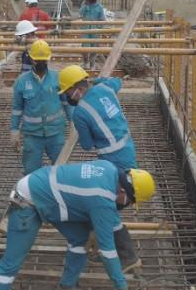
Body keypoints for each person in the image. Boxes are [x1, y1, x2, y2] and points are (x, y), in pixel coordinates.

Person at [0, 161, 156, 290]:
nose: (129, 206)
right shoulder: (102, 200)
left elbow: (93, 204)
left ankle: (67, 289)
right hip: (28, 200)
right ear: (124, 192)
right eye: (131, 202)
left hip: (52, 196)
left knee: (81, 240)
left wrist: (95, 227)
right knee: (11, 263)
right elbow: (108, 251)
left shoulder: (110, 170)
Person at [58, 64, 142, 271]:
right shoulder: (106, 88)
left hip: (112, 161)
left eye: (67, 91)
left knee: (105, 207)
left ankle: (127, 256)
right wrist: (98, 81)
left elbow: (87, 145)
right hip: (128, 151)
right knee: (109, 206)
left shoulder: (80, 113)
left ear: (75, 88)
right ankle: (104, 248)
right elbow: (117, 81)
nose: (68, 96)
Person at [10, 40, 68, 174]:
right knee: (31, 171)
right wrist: (14, 130)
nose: (41, 63)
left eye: (44, 60)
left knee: (60, 170)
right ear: (31, 58)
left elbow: (66, 103)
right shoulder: (22, 81)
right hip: (32, 135)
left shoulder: (57, 77)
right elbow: (17, 109)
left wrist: (73, 122)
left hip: (56, 133)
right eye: (37, 60)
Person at [79, 0, 105, 68]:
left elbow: (102, 19)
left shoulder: (99, 7)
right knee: (84, 47)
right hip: (85, 29)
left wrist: (99, 28)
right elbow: (80, 13)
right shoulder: (85, 4)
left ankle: (92, 64)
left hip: (95, 30)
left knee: (94, 48)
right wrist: (85, 4)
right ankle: (85, 62)